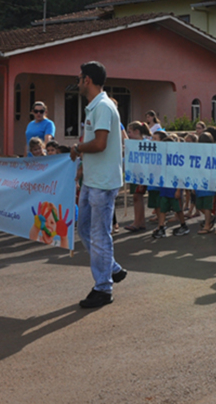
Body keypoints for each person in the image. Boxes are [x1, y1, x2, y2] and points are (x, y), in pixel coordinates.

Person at [71, 61, 127, 309]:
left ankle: (103, 288)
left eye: (80, 77)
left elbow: (100, 143)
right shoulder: (94, 106)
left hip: (103, 183)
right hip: (91, 180)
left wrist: (77, 148)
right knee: (83, 229)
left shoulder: (103, 106)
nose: (78, 82)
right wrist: (82, 167)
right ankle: (111, 268)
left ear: (88, 80)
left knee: (99, 234)